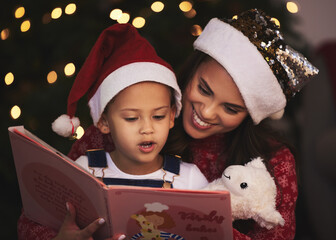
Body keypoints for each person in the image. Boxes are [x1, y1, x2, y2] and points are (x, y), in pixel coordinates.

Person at [18, 8, 319, 240]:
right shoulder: (132, 117)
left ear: (250, 114)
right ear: (192, 71)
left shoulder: (274, 161)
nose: (207, 112)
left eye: (230, 108)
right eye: (203, 89)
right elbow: (36, 218)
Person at [17, 23, 208, 240]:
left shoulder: (190, 179)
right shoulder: (84, 171)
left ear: (172, 116)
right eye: (131, 118)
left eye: (158, 116)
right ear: (104, 122)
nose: (147, 128)